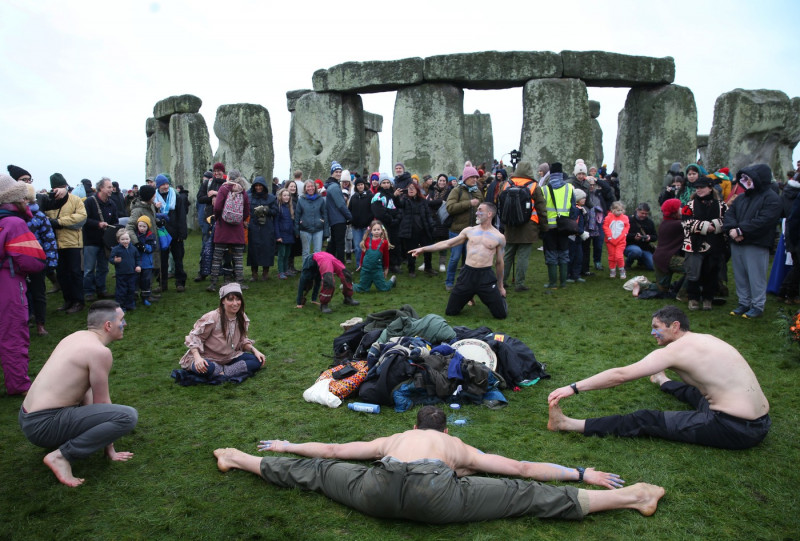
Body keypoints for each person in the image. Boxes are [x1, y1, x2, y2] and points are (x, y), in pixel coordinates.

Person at [213, 405, 664, 524]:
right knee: (525, 498)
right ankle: (632, 496)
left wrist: (289, 443)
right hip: (437, 496)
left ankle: (236, 458)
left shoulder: (396, 437)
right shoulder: (455, 445)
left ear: (415, 425)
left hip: (378, 493)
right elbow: (522, 471)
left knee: (314, 475)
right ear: (445, 431)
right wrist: (582, 472)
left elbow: (332, 451)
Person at [548, 305, 770, 450]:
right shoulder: (706, 338)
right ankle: (662, 381)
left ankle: (568, 424)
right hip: (760, 420)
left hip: (735, 428)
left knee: (645, 419)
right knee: (695, 393)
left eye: (656, 328)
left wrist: (573, 387)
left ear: (675, 326)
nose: (652, 333)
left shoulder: (674, 352)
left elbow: (620, 375)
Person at [19, 300, 138, 486]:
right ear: (108, 325)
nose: (125, 324)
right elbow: (103, 404)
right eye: (122, 320)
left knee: (103, 412)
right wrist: (110, 448)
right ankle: (61, 457)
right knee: (127, 416)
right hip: (44, 424)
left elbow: (85, 390)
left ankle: (62, 449)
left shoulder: (75, 337)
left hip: (27, 417)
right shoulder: (100, 352)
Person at [411, 202, 507, 319]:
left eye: (480, 210)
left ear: (489, 214)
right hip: (467, 274)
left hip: (485, 276)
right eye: (476, 210)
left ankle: (484, 296)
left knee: (501, 315)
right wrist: (423, 249)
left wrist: (500, 286)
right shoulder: (469, 231)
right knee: (451, 312)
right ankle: (469, 294)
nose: (476, 213)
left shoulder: (499, 237)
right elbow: (447, 243)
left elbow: (499, 262)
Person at [0, 175, 47, 395]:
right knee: (13, 334)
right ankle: (18, 384)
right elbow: (33, 260)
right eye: (24, 197)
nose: (27, 201)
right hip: (8, 282)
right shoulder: (14, 223)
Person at [723, 164, 782, 319]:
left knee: (756, 276)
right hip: (737, 241)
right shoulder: (742, 197)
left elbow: (764, 220)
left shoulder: (772, 198)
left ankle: (757, 305)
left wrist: (741, 230)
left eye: (749, 178)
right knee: (740, 274)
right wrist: (732, 230)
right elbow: (730, 214)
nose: (745, 181)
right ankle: (744, 302)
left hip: (756, 243)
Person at [178, 282, 266, 377]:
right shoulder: (212, 317)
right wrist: (198, 358)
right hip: (207, 358)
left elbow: (242, 341)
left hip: (229, 358)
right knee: (207, 368)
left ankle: (224, 371)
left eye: (238, 299)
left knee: (258, 360)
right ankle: (225, 371)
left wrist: (254, 350)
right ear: (223, 301)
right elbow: (195, 337)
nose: (235, 303)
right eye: (230, 300)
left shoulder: (242, 317)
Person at [499, 161, 547, 291]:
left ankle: (502, 281)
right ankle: (519, 283)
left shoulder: (506, 184)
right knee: (523, 256)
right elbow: (541, 208)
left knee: (508, 254)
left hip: (510, 224)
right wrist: (544, 227)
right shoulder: (534, 186)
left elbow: (500, 203)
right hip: (528, 225)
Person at [681, 177, 727, 311]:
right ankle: (693, 298)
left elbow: (728, 219)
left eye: (702, 187)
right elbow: (685, 223)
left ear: (710, 188)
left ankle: (708, 298)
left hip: (715, 244)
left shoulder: (721, 205)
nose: (699, 190)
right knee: (693, 273)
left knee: (711, 272)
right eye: (697, 188)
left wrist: (716, 225)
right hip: (694, 244)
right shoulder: (689, 205)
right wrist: (705, 226)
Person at [46, 173, 88, 314]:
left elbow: (81, 217)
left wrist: (59, 222)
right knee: (62, 273)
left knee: (75, 272)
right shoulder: (49, 202)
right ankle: (68, 300)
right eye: (55, 187)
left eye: (60, 187)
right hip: (55, 243)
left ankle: (78, 301)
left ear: (65, 186)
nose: (57, 190)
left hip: (72, 242)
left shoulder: (75, 200)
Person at [207, 170, 250, 292]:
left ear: (229, 178)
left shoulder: (224, 188)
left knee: (217, 256)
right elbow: (247, 209)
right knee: (238, 258)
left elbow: (218, 206)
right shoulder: (242, 190)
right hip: (237, 228)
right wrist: (240, 219)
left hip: (223, 227)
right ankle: (240, 282)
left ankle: (213, 284)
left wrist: (218, 217)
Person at [444, 166, 485, 291]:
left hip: (473, 232)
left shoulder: (477, 191)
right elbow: (450, 207)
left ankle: (467, 282)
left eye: (476, 177)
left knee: (470, 259)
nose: (475, 179)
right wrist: (468, 204)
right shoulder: (457, 191)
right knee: (455, 258)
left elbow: (482, 207)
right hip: (457, 231)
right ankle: (449, 282)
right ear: (466, 178)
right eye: (472, 177)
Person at [541, 162, 574, 288]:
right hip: (564, 226)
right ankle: (564, 283)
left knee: (551, 254)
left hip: (550, 227)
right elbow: (573, 208)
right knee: (564, 253)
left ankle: (553, 283)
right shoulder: (569, 188)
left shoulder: (544, 189)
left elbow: (541, 209)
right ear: (561, 174)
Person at [155, 174, 188, 292]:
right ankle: (162, 283)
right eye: (163, 184)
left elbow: (181, 216)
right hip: (161, 233)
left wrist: (182, 234)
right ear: (158, 186)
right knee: (162, 260)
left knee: (178, 259)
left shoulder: (176, 197)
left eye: (167, 184)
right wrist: (155, 208)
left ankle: (180, 282)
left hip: (175, 232)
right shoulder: (154, 199)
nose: (165, 186)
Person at [397, 181, 434, 277]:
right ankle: (411, 270)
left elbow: (428, 214)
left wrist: (431, 225)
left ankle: (428, 268)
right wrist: (396, 196)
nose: (411, 190)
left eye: (413, 188)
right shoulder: (404, 200)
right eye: (409, 188)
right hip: (411, 230)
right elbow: (398, 204)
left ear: (417, 190)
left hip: (423, 229)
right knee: (411, 251)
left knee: (427, 249)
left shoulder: (423, 201)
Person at [247, 176, 277, 281]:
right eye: (256, 186)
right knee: (253, 249)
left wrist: (266, 210)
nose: (258, 188)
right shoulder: (249, 197)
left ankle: (265, 272)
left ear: (264, 186)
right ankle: (254, 273)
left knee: (266, 249)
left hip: (267, 226)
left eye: (260, 186)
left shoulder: (271, 198)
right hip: (254, 226)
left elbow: (275, 211)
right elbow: (246, 210)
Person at [354, 220, 396, 293]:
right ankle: (348, 285)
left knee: (383, 289)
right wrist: (360, 265)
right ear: (371, 231)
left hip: (377, 270)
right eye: (374, 230)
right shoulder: (366, 241)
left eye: (378, 229)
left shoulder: (384, 242)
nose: (376, 231)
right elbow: (363, 254)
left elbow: (386, 256)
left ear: (382, 230)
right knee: (362, 289)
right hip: (366, 270)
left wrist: (386, 268)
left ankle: (392, 281)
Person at [324, 161, 352, 263]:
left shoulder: (332, 185)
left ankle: (327, 262)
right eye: (336, 171)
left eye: (340, 171)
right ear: (332, 173)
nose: (339, 173)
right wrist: (350, 217)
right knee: (340, 244)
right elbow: (341, 205)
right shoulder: (334, 187)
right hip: (338, 219)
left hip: (334, 219)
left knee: (333, 244)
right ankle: (341, 266)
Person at [295, 179, 328, 260]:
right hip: (305, 229)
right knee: (306, 252)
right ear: (305, 188)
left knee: (318, 252)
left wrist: (326, 230)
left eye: (312, 186)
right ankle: (306, 271)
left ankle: (316, 270)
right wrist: (296, 230)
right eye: (308, 186)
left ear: (315, 187)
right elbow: (297, 215)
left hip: (318, 229)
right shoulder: (301, 200)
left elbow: (325, 214)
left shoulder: (320, 199)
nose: (310, 188)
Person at [110, 230, 141, 311]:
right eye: (122, 239)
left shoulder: (133, 249)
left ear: (130, 239)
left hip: (132, 274)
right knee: (121, 291)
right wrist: (115, 260)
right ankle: (121, 306)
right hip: (121, 274)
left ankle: (130, 304)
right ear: (118, 240)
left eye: (127, 239)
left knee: (131, 290)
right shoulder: (116, 249)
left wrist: (138, 266)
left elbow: (138, 258)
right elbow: (111, 259)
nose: (125, 241)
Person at [347, 176, 373, 270]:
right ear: (356, 186)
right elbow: (349, 210)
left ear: (364, 185)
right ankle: (359, 265)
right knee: (358, 247)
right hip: (356, 227)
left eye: (361, 184)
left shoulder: (370, 196)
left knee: (367, 247)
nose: (360, 186)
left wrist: (370, 222)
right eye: (358, 185)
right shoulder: (353, 197)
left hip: (367, 227)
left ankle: (368, 265)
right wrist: (351, 220)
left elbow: (373, 210)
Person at [624, 203, 657, 270]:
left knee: (653, 267)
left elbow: (655, 236)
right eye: (642, 213)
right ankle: (628, 264)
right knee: (636, 251)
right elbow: (623, 235)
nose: (644, 215)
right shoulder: (628, 220)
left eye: (646, 214)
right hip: (630, 246)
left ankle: (641, 262)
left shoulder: (650, 222)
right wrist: (634, 237)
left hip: (645, 248)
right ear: (637, 210)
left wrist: (649, 237)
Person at [134, 216, 156, 305]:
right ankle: (134, 297)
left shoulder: (151, 236)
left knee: (146, 281)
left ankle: (145, 297)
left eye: (144, 226)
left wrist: (144, 246)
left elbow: (152, 248)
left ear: (148, 227)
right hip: (136, 263)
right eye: (140, 226)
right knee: (135, 280)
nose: (142, 228)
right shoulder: (135, 235)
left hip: (147, 263)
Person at [603, 201, 629, 279]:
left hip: (621, 241)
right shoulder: (608, 217)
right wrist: (609, 236)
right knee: (612, 256)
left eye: (621, 210)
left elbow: (626, 227)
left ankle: (622, 270)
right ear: (613, 209)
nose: (619, 212)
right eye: (618, 210)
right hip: (610, 241)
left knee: (619, 256)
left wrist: (624, 234)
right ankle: (612, 270)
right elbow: (605, 227)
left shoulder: (625, 218)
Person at [274, 188, 295, 280]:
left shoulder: (289, 208)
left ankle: (286, 270)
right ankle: (280, 271)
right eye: (284, 195)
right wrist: (278, 236)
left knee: (287, 254)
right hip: (282, 235)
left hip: (289, 234)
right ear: (280, 196)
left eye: (288, 195)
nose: (286, 197)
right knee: (281, 254)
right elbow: (276, 223)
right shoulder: (279, 208)